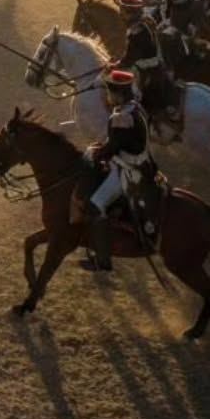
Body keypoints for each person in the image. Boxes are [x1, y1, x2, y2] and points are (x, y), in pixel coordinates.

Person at [82, 67, 156, 273]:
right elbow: (120, 140)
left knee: (96, 205)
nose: (108, 96)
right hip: (142, 162)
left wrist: (94, 153)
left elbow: (113, 147)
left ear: (119, 93)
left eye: (110, 92)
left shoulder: (121, 117)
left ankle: (103, 260)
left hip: (127, 170)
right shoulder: (135, 108)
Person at [115, 0, 177, 124]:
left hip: (146, 68)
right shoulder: (146, 20)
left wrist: (117, 65)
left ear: (130, 13)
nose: (120, 14)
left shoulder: (136, 31)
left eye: (122, 11)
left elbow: (131, 56)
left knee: (132, 95)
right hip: (156, 62)